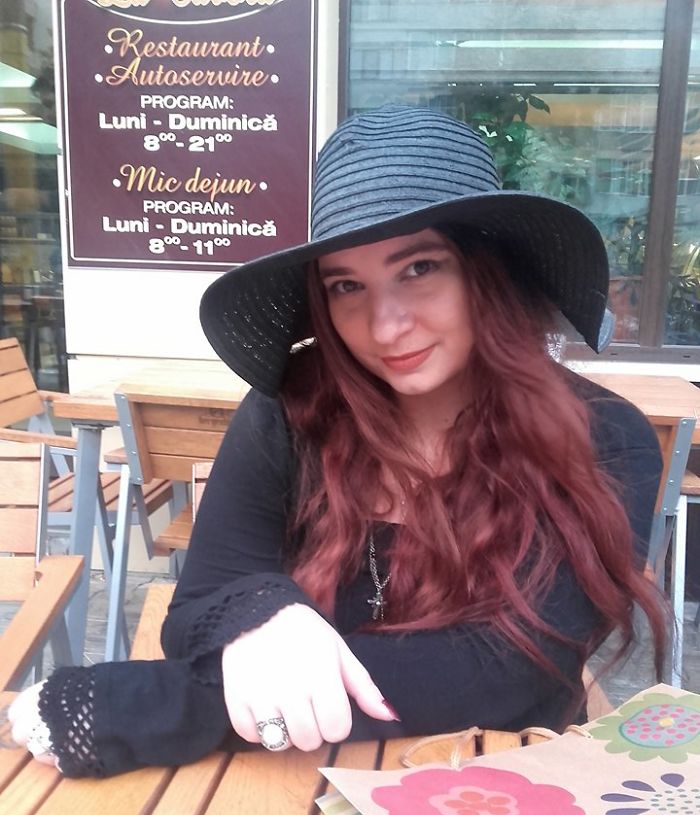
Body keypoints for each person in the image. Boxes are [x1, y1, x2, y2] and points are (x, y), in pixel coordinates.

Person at [9, 105, 667, 778]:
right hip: (293, 790)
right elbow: (195, 610)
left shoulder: (603, 440)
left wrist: (154, 705)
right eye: (346, 285)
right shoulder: (291, 411)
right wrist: (268, 613)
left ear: (488, 271)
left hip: (500, 796)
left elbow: (506, 672)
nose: (385, 326)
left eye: (420, 268)